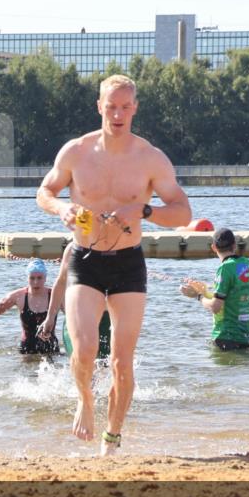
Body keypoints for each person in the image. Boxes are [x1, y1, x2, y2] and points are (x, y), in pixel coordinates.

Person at [36, 74, 192, 455]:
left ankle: (112, 435)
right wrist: (62, 208)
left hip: (128, 263)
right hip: (85, 260)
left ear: (135, 108)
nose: (118, 114)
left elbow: (183, 212)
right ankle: (84, 401)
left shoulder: (150, 158)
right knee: (85, 348)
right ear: (99, 107)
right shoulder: (76, 151)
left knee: (122, 363)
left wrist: (144, 209)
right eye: (111, 106)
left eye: (125, 107)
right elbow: (45, 191)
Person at [186, 228, 249, 351]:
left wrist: (198, 296)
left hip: (226, 337)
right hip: (245, 337)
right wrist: (205, 290)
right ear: (234, 245)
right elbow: (234, 291)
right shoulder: (248, 264)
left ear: (213, 247)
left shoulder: (225, 268)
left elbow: (216, 307)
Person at [38, 242, 112, 360]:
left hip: (105, 317)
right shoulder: (73, 249)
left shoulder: (113, 247)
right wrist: (50, 317)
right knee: (79, 363)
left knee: (102, 366)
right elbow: (61, 282)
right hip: (75, 317)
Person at [0, 259, 61, 355]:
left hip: (51, 348)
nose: (36, 282)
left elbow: (73, 316)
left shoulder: (55, 296)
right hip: (27, 349)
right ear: (27, 278)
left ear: (45, 278)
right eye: (32, 278)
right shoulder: (18, 296)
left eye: (39, 278)